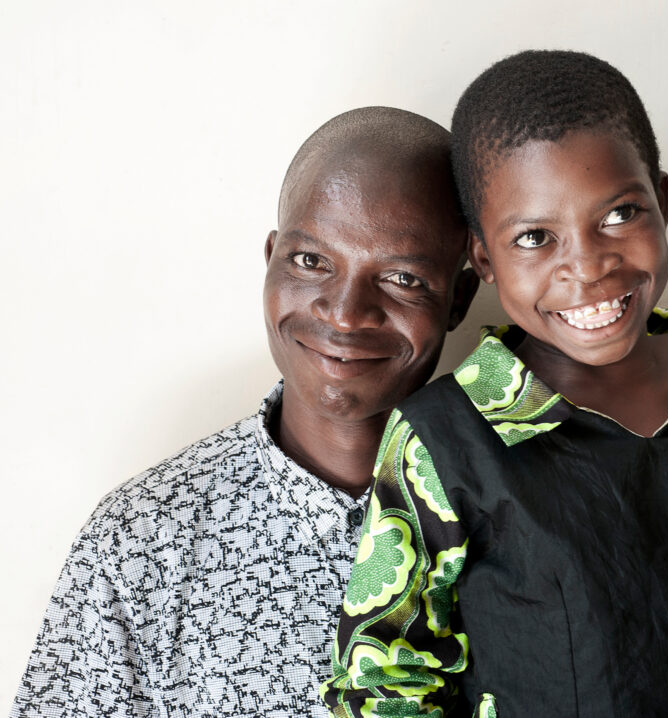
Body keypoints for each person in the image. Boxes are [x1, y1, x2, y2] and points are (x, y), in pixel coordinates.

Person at [324, 52, 668, 718]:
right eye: (536, 236)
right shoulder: (442, 439)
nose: (588, 267)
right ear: (483, 259)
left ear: (663, 201)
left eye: (621, 214)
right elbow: (381, 688)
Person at [10, 106, 477, 717]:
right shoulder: (142, 542)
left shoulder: (527, 512)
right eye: (312, 261)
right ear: (271, 259)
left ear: (459, 299)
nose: (344, 312)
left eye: (401, 278)